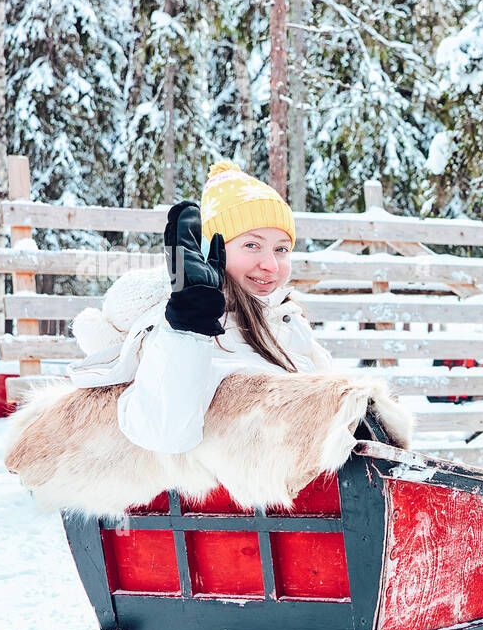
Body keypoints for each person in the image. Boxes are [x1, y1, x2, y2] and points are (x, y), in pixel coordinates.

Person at [69, 160, 332, 453]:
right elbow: (164, 434)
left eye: (281, 249)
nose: (270, 265)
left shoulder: (286, 318)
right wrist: (189, 329)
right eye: (252, 246)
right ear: (210, 253)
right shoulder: (187, 326)